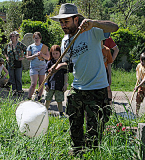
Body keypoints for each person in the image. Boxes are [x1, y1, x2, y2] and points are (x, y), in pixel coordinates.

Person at [50, 3, 118, 154]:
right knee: (74, 125)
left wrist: (94, 23)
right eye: (61, 22)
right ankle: (77, 152)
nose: (63, 25)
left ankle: (93, 155)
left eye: (66, 21)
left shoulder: (92, 31)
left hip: (96, 88)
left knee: (95, 129)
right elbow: (67, 61)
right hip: (77, 88)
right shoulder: (65, 41)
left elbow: (115, 27)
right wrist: (57, 66)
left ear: (76, 19)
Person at [44, 45, 68, 118]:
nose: (55, 55)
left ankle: (61, 114)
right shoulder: (49, 62)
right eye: (53, 54)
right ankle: (44, 113)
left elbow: (65, 74)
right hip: (50, 84)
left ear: (60, 53)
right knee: (47, 99)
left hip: (60, 84)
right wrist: (46, 83)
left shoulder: (63, 64)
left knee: (59, 100)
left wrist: (65, 84)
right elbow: (46, 73)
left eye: (56, 53)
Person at [26, 32, 50, 100]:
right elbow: (27, 58)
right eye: (35, 38)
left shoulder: (44, 47)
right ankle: (29, 98)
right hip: (34, 67)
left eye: (38, 38)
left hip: (42, 66)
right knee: (33, 84)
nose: (36, 39)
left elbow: (48, 57)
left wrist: (42, 55)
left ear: (40, 38)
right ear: (33, 38)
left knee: (41, 84)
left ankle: (39, 98)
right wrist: (35, 55)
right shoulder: (30, 47)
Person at [3, 31, 27, 96]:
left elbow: (26, 50)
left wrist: (23, 57)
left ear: (16, 37)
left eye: (13, 36)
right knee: (12, 77)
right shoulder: (8, 45)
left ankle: (19, 90)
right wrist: (6, 57)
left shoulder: (20, 44)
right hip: (10, 63)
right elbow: (4, 51)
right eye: (11, 36)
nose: (12, 37)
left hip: (18, 62)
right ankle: (14, 90)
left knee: (18, 77)